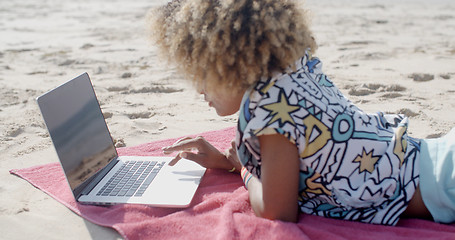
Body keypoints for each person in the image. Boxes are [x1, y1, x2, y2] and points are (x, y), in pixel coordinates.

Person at [148, 0, 455, 225]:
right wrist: (230, 163)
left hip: (445, 182)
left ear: (230, 62)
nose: (199, 88)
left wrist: (243, 170)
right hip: (437, 156)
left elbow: (276, 211)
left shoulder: (270, 113)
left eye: (201, 72)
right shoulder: (293, 65)